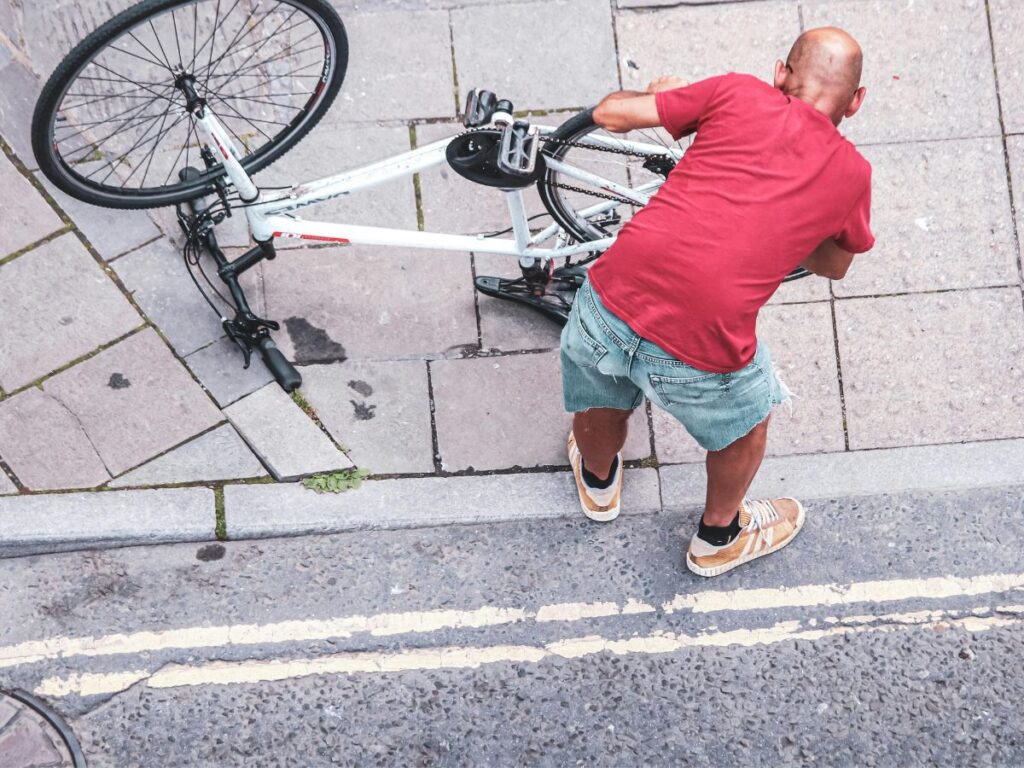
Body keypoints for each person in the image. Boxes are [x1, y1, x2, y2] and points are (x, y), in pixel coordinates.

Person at [562, 27, 874, 577]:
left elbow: (611, 115)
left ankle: (599, 481)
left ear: (780, 73)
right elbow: (834, 265)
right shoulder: (851, 174)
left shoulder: (737, 92)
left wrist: (666, 96)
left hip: (613, 293)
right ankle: (717, 538)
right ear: (855, 101)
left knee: (601, 387)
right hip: (704, 340)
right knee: (745, 425)